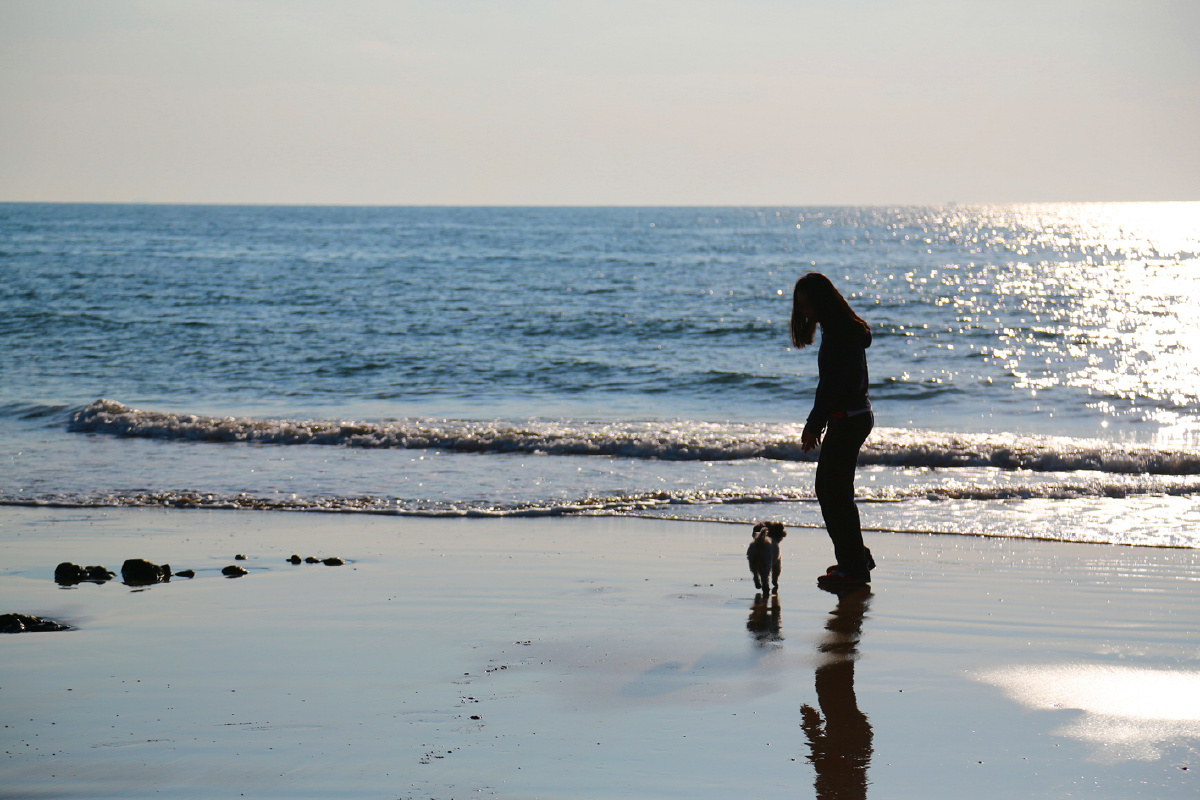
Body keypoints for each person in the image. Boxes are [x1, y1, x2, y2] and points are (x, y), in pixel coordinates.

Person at [790, 272, 875, 586]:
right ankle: (855, 558)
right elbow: (832, 386)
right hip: (850, 416)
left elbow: (831, 386)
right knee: (830, 491)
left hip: (849, 417)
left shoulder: (839, 332)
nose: (804, 313)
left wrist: (814, 425)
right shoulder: (839, 328)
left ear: (820, 301)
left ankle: (854, 567)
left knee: (834, 493)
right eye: (800, 307)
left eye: (806, 305)